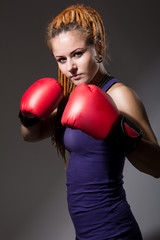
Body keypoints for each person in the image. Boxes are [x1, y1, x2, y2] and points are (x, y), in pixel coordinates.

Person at [19, 4, 160, 240]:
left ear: (98, 48)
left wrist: (116, 131)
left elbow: (157, 167)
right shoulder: (74, 97)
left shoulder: (119, 95)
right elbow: (30, 135)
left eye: (77, 54)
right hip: (85, 233)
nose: (70, 67)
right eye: (61, 59)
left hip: (114, 231)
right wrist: (29, 115)